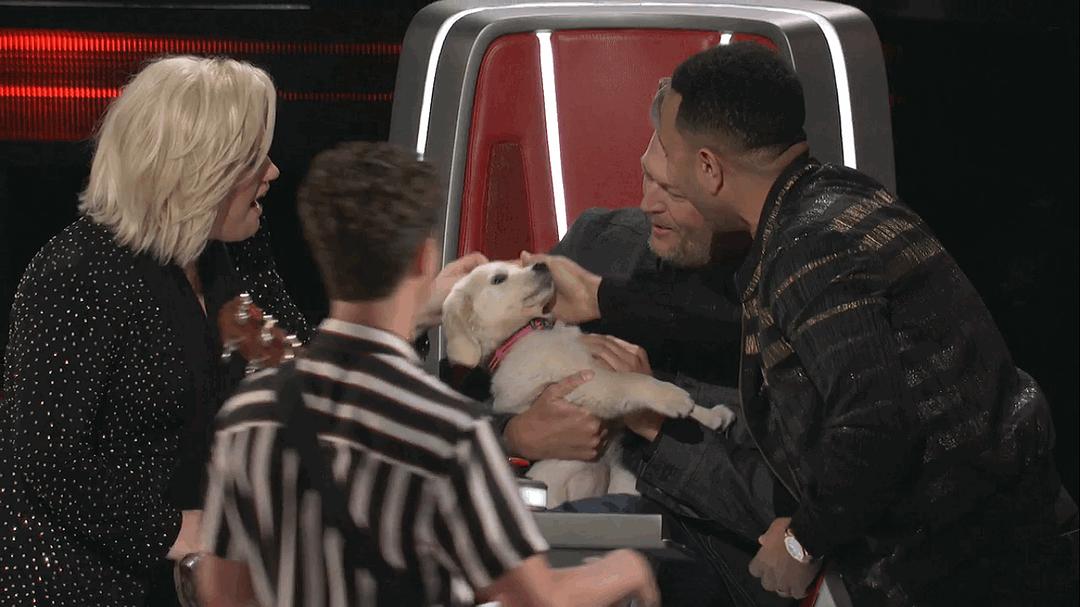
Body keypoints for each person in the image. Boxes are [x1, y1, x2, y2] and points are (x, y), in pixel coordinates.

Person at [530, 43, 1077, 605]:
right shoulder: (841, 200)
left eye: (673, 158)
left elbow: (875, 427)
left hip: (980, 571)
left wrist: (799, 542)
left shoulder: (807, 249)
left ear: (709, 169)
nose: (656, 191)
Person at [195, 141, 660, 607]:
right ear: (423, 259)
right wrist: (626, 569)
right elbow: (538, 597)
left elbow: (220, 592)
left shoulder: (250, 416)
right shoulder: (450, 431)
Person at [0, 55, 315, 606]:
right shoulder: (77, 275)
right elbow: (49, 461)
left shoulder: (224, 261)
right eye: (251, 158)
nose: (273, 172)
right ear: (199, 168)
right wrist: (179, 529)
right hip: (87, 586)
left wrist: (405, 313)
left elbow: (290, 366)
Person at [486, 79, 791, 607]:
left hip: (699, 559)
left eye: (675, 192)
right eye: (648, 176)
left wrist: (651, 424)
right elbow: (467, 395)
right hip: (555, 522)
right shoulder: (600, 240)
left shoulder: (782, 298)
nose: (649, 204)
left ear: (725, 189)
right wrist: (516, 434)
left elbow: (779, 512)